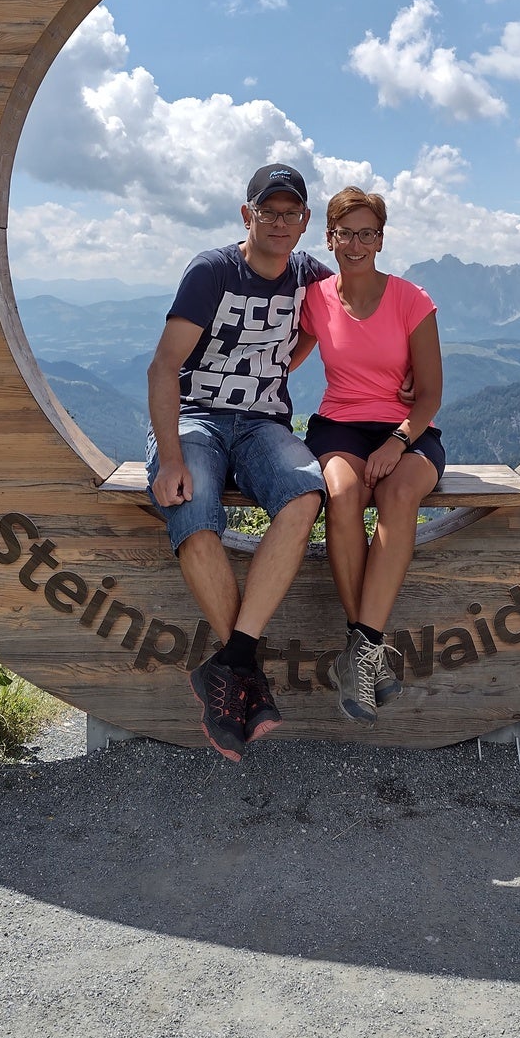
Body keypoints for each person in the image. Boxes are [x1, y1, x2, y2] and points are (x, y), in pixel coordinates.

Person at [146, 163, 328, 763]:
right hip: (197, 417)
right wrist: (170, 455)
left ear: (304, 222)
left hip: (262, 425)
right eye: (268, 211)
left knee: (304, 494)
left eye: (291, 213)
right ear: (246, 214)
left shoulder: (310, 276)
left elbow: (356, 318)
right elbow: (163, 366)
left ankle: (231, 669)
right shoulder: (212, 271)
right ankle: (245, 674)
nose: (280, 222)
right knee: (192, 511)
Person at [298, 187, 444, 724]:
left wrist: (398, 441)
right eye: (346, 233)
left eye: (368, 233)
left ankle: (360, 648)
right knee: (340, 494)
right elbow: (280, 355)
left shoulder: (412, 300)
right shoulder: (315, 298)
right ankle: (368, 655)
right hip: (338, 426)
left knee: (400, 492)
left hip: (407, 430)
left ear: (381, 239)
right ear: (330, 238)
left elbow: (428, 393)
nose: (356, 243)